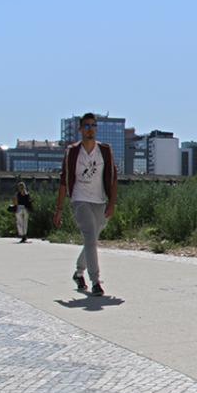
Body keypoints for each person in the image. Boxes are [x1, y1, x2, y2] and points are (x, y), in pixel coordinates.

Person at [54, 113, 117, 297]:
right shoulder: (73, 152)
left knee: (92, 240)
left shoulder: (105, 151)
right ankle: (95, 281)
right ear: (80, 129)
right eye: (87, 126)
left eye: (93, 126)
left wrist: (112, 203)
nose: (90, 129)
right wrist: (58, 210)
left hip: (100, 200)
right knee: (90, 236)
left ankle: (78, 272)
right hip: (80, 200)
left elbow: (113, 179)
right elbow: (64, 182)